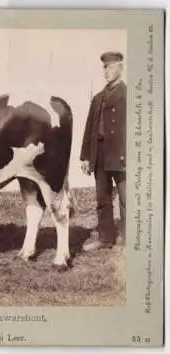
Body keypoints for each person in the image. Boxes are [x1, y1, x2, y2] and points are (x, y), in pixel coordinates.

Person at [80, 51, 126, 251]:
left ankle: (127, 238)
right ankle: (105, 239)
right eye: (104, 67)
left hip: (120, 154)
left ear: (120, 68)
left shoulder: (128, 94)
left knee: (126, 199)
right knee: (102, 198)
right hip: (100, 154)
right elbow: (89, 128)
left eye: (111, 66)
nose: (106, 71)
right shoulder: (98, 98)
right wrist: (85, 157)